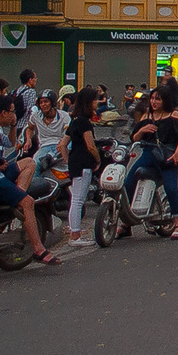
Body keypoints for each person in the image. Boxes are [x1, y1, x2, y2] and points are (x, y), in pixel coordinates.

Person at [0, 95, 59, 265]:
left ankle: (17, 197)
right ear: (3, 113)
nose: (13, 114)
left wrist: (14, 125)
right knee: (29, 202)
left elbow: (10, 142)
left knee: (29, 162)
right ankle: (39, 249)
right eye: (12, 112)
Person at [124, 91, 178, 239]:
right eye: (152, 99)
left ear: (165, 101)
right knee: (128, 183)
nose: (154, 102)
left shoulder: (174, 115)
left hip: (167, 156)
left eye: (158, 99)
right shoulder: (146, 116)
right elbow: (134, 137)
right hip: (148, 154)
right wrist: (142, 130)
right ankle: (126, 224)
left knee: (171, 188)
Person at [64, 87, 101, 247]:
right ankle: (75, 235)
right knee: (78, 200)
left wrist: (68, 161)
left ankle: (75, 231)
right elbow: (91, 146)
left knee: (76, 198)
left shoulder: (74, 121)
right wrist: (98, 160)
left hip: (75, 163)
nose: (97, 103)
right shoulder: (84, 123)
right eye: (95, 99)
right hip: (84, 164)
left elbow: (62, 145)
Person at [23, 92, 71, 175]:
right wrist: (28, 140)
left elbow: (69, 132)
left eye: (46, 102)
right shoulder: (35, 116)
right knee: (34, 163)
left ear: (53, 103)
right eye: (41, 103)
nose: (43, 105)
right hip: (45, 145)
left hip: (62, 145)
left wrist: (63, 142)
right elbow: (30, 128)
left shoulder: (64, 116)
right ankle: (36, 184)